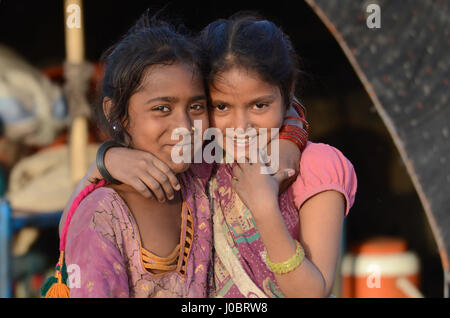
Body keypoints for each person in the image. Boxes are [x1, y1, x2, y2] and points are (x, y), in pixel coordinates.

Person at [88, 13, 357, 298]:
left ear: (288, 91)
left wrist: (265, 207)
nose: (241, 127)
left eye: (259, 105)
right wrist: (107, 159)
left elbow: (312, 293)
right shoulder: (198, 158)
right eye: (221, 107)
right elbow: (74, 222)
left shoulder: (317, 167)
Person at [51, 15, 215, 297]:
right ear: (120, 115)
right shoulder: (102, 216)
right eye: (162, 108)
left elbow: (263, 91)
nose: (185, 127)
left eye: (197, 107)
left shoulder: (203, 179)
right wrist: (105, 162)